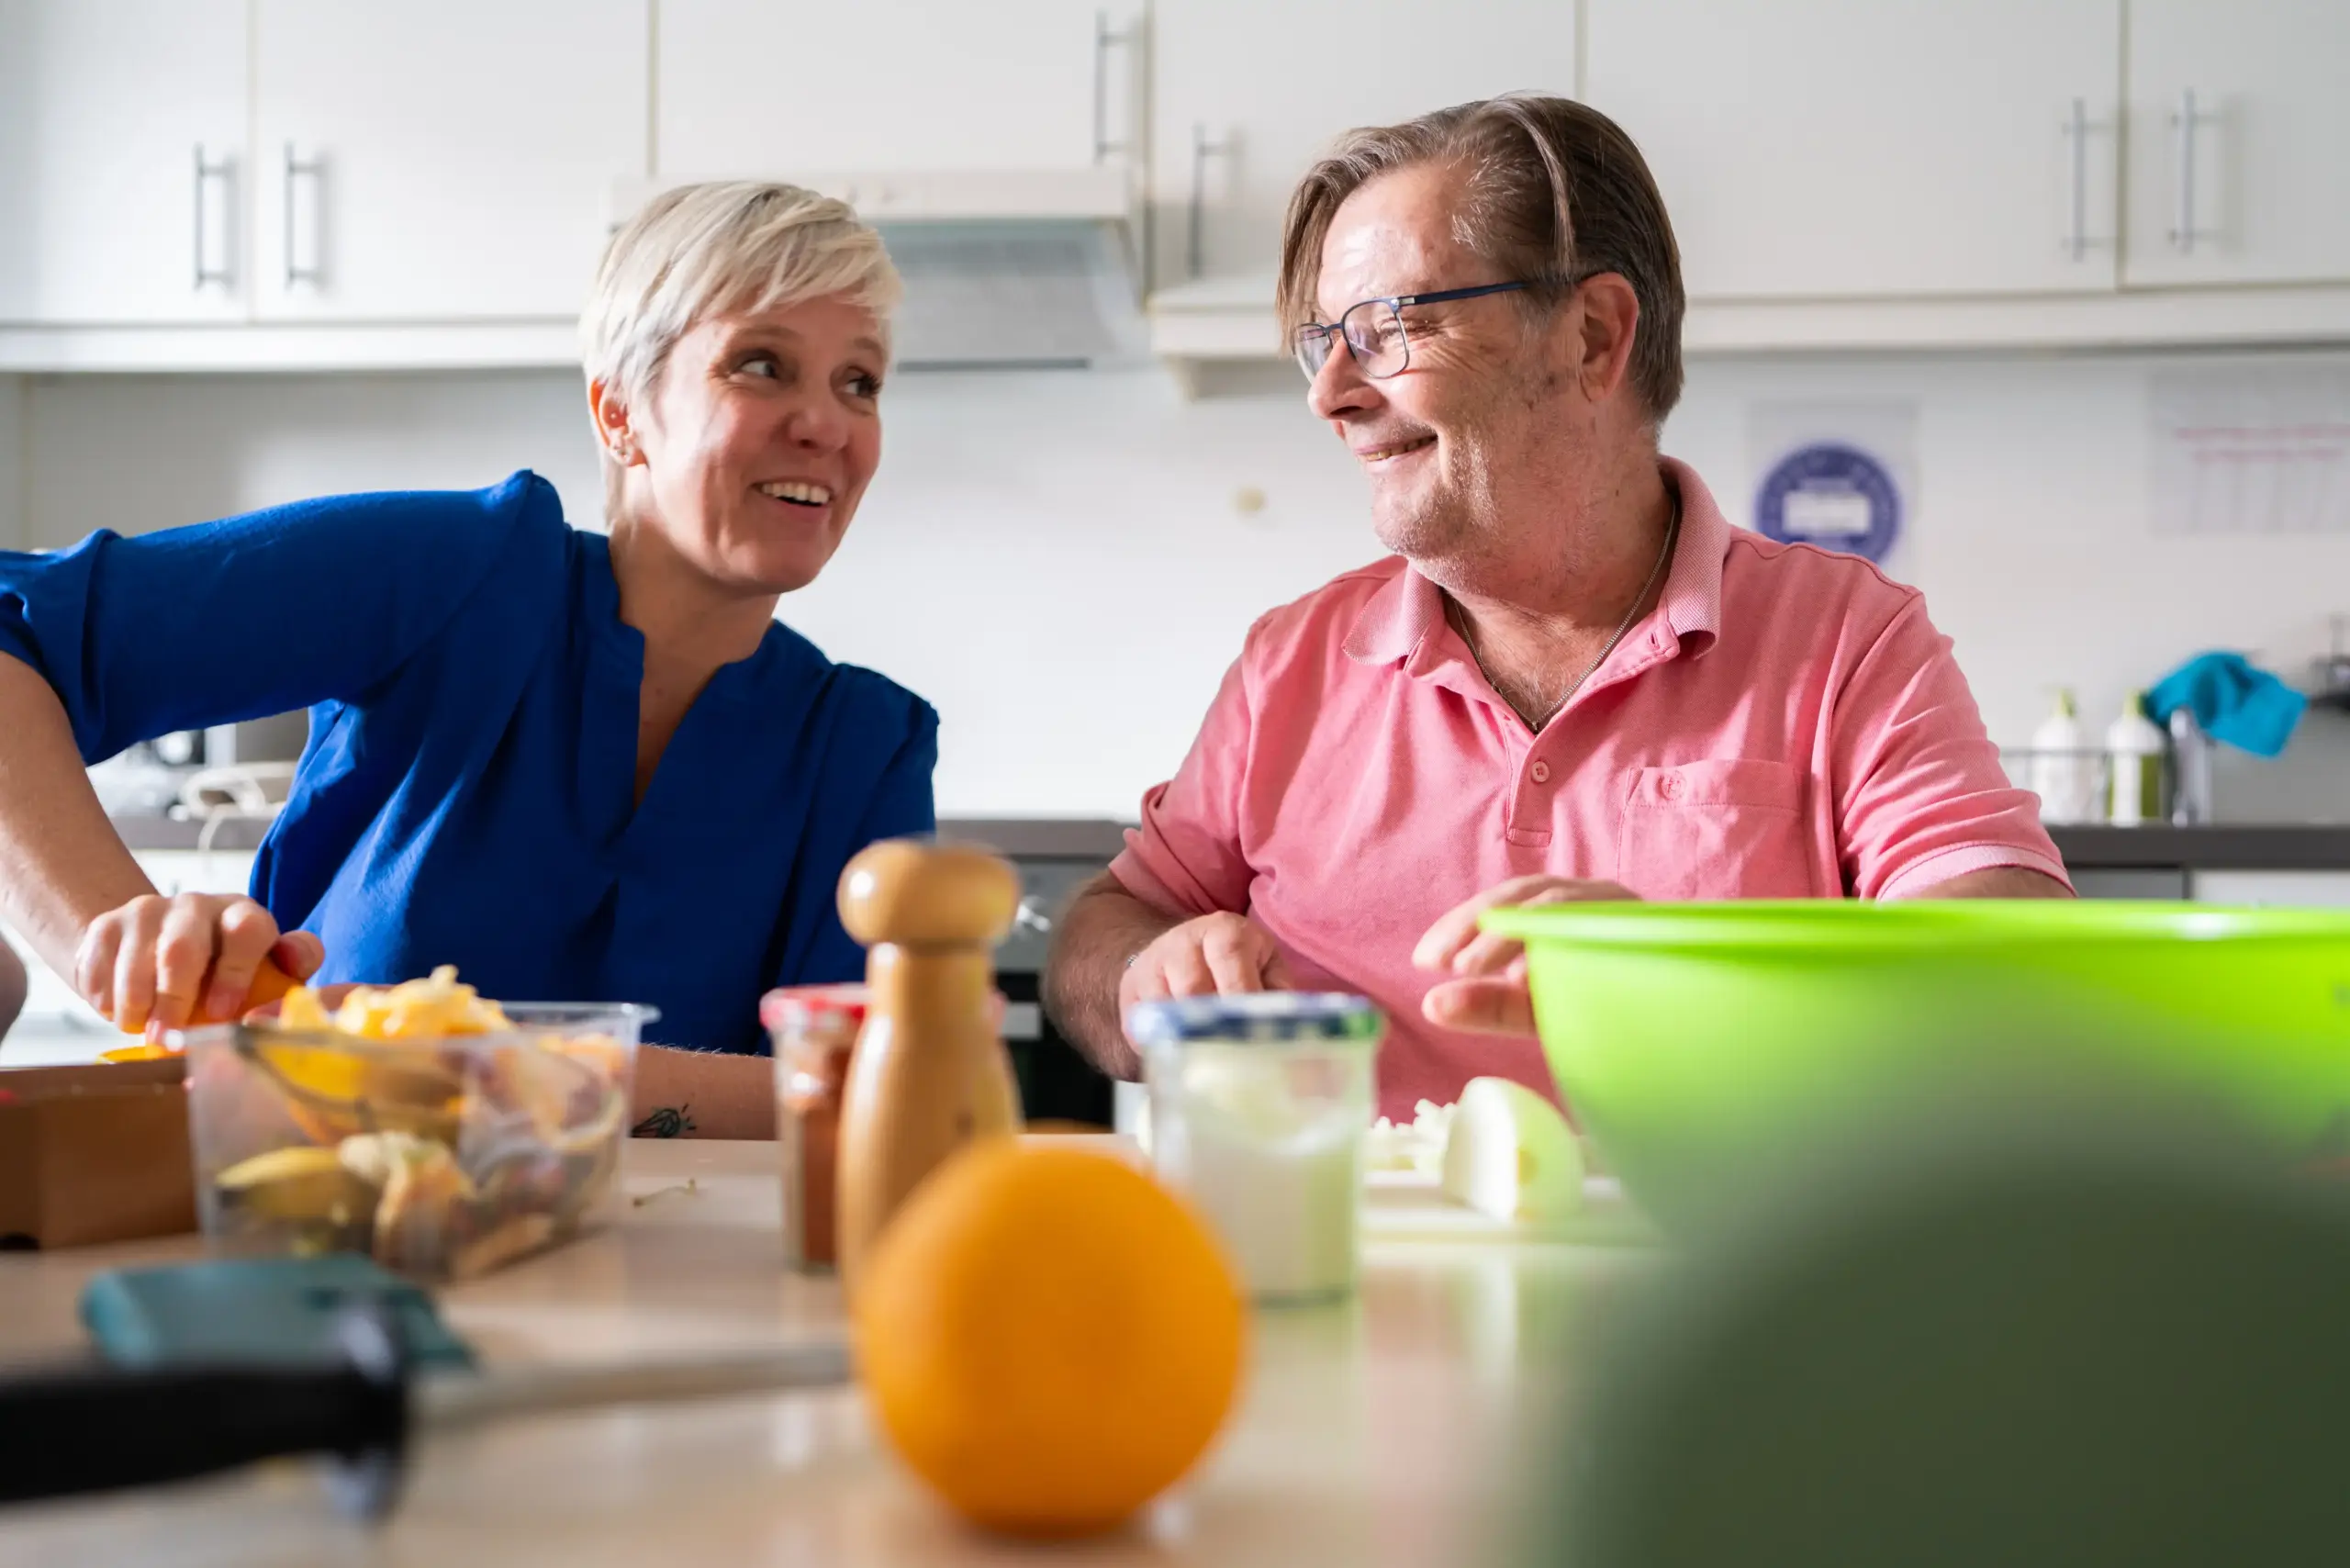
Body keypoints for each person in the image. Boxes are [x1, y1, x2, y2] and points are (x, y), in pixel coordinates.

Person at [1045, 95, 2070, 1121]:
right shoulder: (1292, 663)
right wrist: (1147, 975)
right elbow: (1109, 926)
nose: (1333, 394)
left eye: (1392, 327)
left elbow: (2010, 971)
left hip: (1719, 1265)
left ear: (1591, 336)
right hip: (1347, 1267)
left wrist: (1695, 970)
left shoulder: (1844, 638)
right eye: (1326, 343)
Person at [0, 182, 932, 1137]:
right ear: (619, 413)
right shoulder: (457, 571)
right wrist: (117, 940)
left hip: (669, 1277)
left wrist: (470, 1065)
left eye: (858, 381)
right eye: (762, 364)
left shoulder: (866, 747)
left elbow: (869, 1098)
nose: (826, 423)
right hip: (323, 1245)